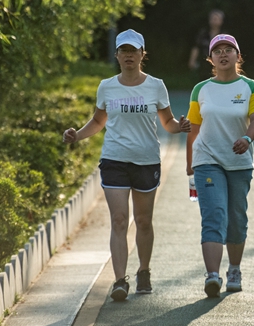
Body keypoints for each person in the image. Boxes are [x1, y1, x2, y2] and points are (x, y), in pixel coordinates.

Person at [63, 29, 191, 302]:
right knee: (119, 220)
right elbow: (98, 122)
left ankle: (143, 270)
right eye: (124, 51)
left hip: (146, 160)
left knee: (143, 221)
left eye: (134, 51)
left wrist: (181, 127)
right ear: (117, 55)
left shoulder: (156, 85)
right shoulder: (107, 86)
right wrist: (77, 135)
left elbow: (167, 123)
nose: (129, 55)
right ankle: (120, 281)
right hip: (115, 160)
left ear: (143, 54)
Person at [186, 34, 254, 298]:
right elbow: (194, 129)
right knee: (213, 216)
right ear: (210, 59)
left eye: (229, 50)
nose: (223, 54)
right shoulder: (201, 89)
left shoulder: (250, 87)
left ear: (237, 56)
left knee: (236, 219)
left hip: (239, 163)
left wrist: (246, 138)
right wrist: (190, 166)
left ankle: (234, 269)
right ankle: (212, 275)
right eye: (217, 51)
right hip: (207, 161)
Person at [188, 9, 225, 81]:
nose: (214, 21)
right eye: (212, 19)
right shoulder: (203, 34)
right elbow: (196, 47)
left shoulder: (224, 35)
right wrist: (192, 60)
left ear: (221, 21)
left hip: (219, 65)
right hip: (204, 65)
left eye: (216, 19)